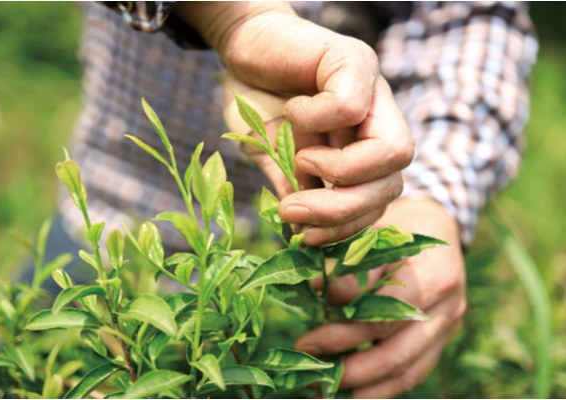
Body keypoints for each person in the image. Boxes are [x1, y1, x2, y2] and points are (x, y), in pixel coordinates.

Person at [60, 1, 537, 397]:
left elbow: (471, 21)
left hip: (330, 251)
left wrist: (432, 198)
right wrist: (234, 17)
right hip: (116, 226)